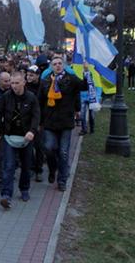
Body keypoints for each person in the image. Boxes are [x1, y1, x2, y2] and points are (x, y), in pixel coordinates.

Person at [38, 57, 88, 191]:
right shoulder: (46, 81)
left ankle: (62, 180)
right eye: (55, 64)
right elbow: (40, 101)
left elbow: (84, 86)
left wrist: (86, 72)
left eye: (60, 63)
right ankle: (52, 168)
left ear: (64, 65)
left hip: (65, 121)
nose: (58, 66)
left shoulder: (71, 79)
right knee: (48, 148)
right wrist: (39, 121)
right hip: (49, 121)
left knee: (63, 152)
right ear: (51, 67)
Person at [0, 72, 40, 209]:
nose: (13, 86)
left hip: (26, 136)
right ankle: (6, 195)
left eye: (16, 83)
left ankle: (24, 189)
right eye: (12, 83)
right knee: (8, 166)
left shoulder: (31, 98)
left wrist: (32, 131)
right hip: (9, 136)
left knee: (26, 165)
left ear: (23, 83)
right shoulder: (6, 97)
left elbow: (36, 116)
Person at [26, 65, 44, 182]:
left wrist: (41, 122)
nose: (29, 77)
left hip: (39, 120)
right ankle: (31, 167)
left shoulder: (43, 87)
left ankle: (39, 169)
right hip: (27, 120)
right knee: (28, 145)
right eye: (27, 75)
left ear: (38, 75)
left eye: (31, 75)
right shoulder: (25, 86)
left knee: (39, 146)